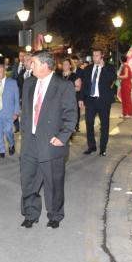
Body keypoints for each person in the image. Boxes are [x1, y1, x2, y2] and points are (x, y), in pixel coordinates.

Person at [19, 51, 77, 229]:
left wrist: (63, 137)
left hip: (51, 142)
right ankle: (30, 213)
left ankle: (55, 215)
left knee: (53, 181)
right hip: (30, 142)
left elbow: (71, 114)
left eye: (33, 63)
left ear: (45, 66)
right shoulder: (29, 83)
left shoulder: (63, 86)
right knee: (28, 181)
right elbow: (26, 111)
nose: (30, 65)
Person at [79, 49, 117, 156]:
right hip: (90, 100)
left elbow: (112, 79)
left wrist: (103, 68)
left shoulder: (109, 67)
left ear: (102, 56)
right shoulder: (88, 69)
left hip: (103, 101)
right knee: (89, 122)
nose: (95, 57)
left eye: (97, 55)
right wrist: (81, 98)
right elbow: (84, 84)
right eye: (93, 55)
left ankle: (103, 148)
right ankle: (92, 146)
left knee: (104, 124)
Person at [0, 64, 19, 158]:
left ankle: (11, 144)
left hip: (9, 113)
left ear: (4, 72)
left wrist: (16, 112)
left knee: (8, 130)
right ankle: (1, 150)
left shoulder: (12, 82)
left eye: (0, 72)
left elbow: (16, 98)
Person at [61, 58, 82, 131]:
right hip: (60, 100)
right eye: (63, 64)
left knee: (70, 116)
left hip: (71, 99)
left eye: (66, 64)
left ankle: (72, 128)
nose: (64, 66)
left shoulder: (74, 76)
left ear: (70, 66)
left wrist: (68, 90)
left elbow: (78, 88)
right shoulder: (58, 75)